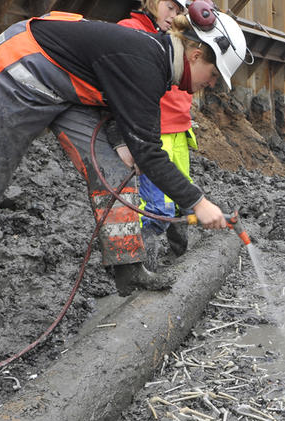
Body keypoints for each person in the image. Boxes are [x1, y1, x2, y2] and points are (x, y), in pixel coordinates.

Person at [0, 6, 247, 295]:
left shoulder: (155, 63)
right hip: (21, 66)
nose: (211, 84)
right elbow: (149, 152)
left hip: (68, 87)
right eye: (214, 75)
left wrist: (120, 142)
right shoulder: (146, 62)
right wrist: (198, 202)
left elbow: (117, 99)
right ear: (195, 55)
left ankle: (128, 268)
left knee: (114, 172)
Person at [119, 0, 197, 267]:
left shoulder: (180, 37)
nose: (174, 15)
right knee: (156, 208)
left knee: (183, 197)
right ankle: (144, 267)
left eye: (180, 10)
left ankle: (181, 258)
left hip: (179, 130)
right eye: (170, 7)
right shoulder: (131, 31)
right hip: (153, 132)